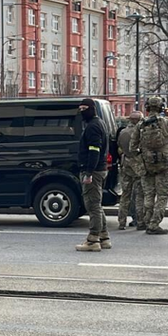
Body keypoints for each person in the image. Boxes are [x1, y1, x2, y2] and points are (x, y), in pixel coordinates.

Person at [132, 96, 168, 235]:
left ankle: (146, 220)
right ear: (161, 107)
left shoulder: (140, 125)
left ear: (147, 108)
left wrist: (142, 158)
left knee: (148, 195)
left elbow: (132, 147)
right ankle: (154, 224)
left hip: (147, 166)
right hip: (164, 166)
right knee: (162, 196)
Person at [76, 98, 111, 251]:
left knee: (92, 204)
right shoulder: (100, 123)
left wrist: (89, 172)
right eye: (80, 109)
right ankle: (104, 237)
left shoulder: (92, 127)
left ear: (91, 109)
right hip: (100, 169)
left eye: (84, 109)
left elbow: (94, 151)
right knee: (97, 204)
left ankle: (93, 240)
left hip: (93, 171)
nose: (82, 112)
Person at [117, 110, 144, 230]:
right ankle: (139, 220)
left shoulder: (123, 132)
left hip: (125, 163)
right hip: (138, 164)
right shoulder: (141, 132)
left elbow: (119, 147)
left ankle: (121, 222)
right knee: (139, 194)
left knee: (125, 195)